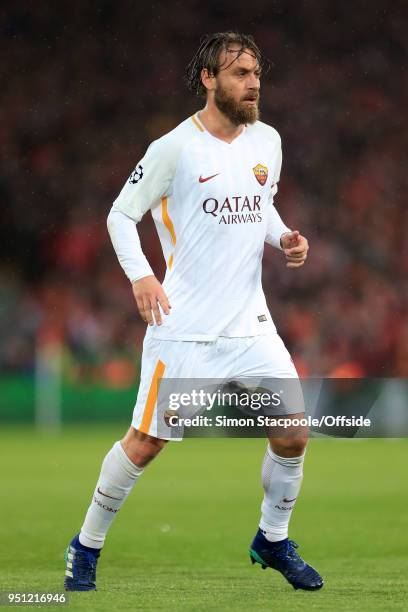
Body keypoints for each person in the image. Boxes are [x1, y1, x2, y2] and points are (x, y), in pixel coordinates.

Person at [64, 31, 323, 592]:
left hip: (251, 323)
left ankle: (272, 539)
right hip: (184, 328)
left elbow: (262, 205)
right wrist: (142, 275)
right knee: (146, 443)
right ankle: (85, 545)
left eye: (256, 72)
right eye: (239, 73)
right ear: (209, 79)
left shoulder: (268, 141)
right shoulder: (174, 148)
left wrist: (284, 240)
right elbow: (119, 215)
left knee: (294, 435)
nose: (252, 83)